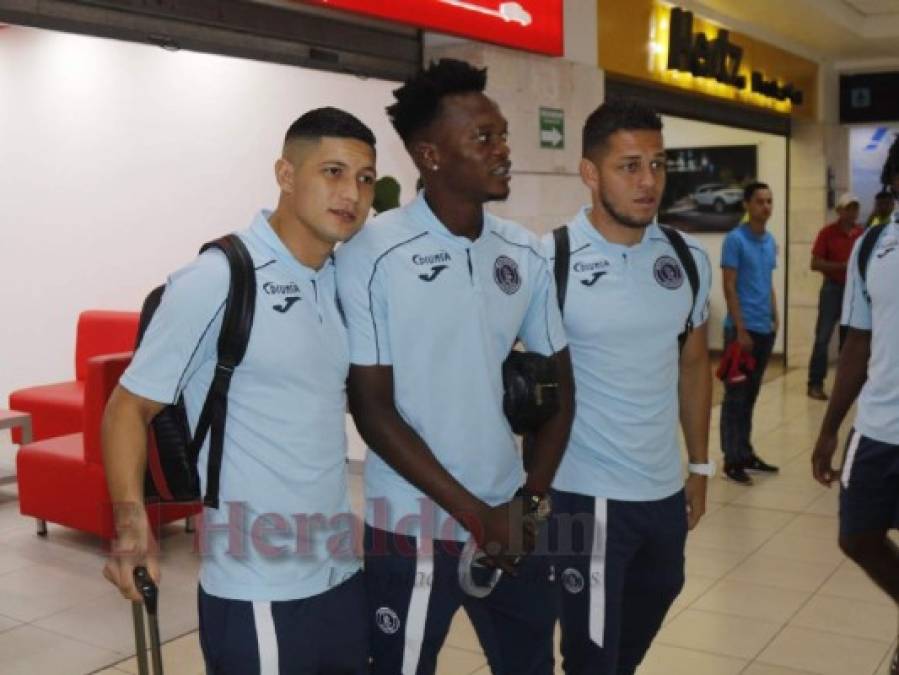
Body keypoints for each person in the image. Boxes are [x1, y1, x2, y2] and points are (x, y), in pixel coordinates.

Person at [101, 108, 377, 673]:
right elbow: (127, 409)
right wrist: (133, 531)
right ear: (285, 173)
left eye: (365, 178)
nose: (352, 193)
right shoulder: (220, 278)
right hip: (258, 588)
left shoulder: (338, 279)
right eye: (332, 171)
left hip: (339, 573)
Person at [336, 59, 574, 675]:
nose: (503, 152)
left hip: (511, 518)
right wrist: (476, 517)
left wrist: (528, 504)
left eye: (504, 136)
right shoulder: (371, 254)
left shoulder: (524, 250)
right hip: (410, 527)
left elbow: (559, 389)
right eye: (484, 139)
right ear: (431, 156)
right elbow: (371, 408)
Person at [544, 99, 713, 675]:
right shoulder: (550, 260)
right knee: (590, 655)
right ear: (590, 173)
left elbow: (694, 365)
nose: (649, 183)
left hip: (664, 492)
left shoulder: (687, 259)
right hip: (584, 495)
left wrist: (699, 466)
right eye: (630, 166)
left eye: (659, 165)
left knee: (652, 607)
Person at [811, 135, 899, 675]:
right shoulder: (873, 247)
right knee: (857, 535)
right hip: (880, 426)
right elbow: (856, 344)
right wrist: (829, 429)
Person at [719, 182, 781, 484]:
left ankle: (745, 452)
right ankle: (731, 459)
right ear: (747, 204)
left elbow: (766, 281)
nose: (766, 207)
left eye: (769, 201)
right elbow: (729, 285)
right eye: (760, 201)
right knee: (736, 398)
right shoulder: (735, 240)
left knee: (751, 396)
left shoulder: (770, 241)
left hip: (764, 329)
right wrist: (741, 329)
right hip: (741, 333)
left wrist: (775, 315)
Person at [806, 193, 864, 400]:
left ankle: (845, 386)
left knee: (849, 341)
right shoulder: (827, 233)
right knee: (822, 338)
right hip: (832, 289)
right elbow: (815, 263)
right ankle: (815, 383)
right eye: (848, 208)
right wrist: (841, 267)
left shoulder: (861, 234)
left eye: (855, 209)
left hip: (854, 292)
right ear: (839, 211)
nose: (853, 213)